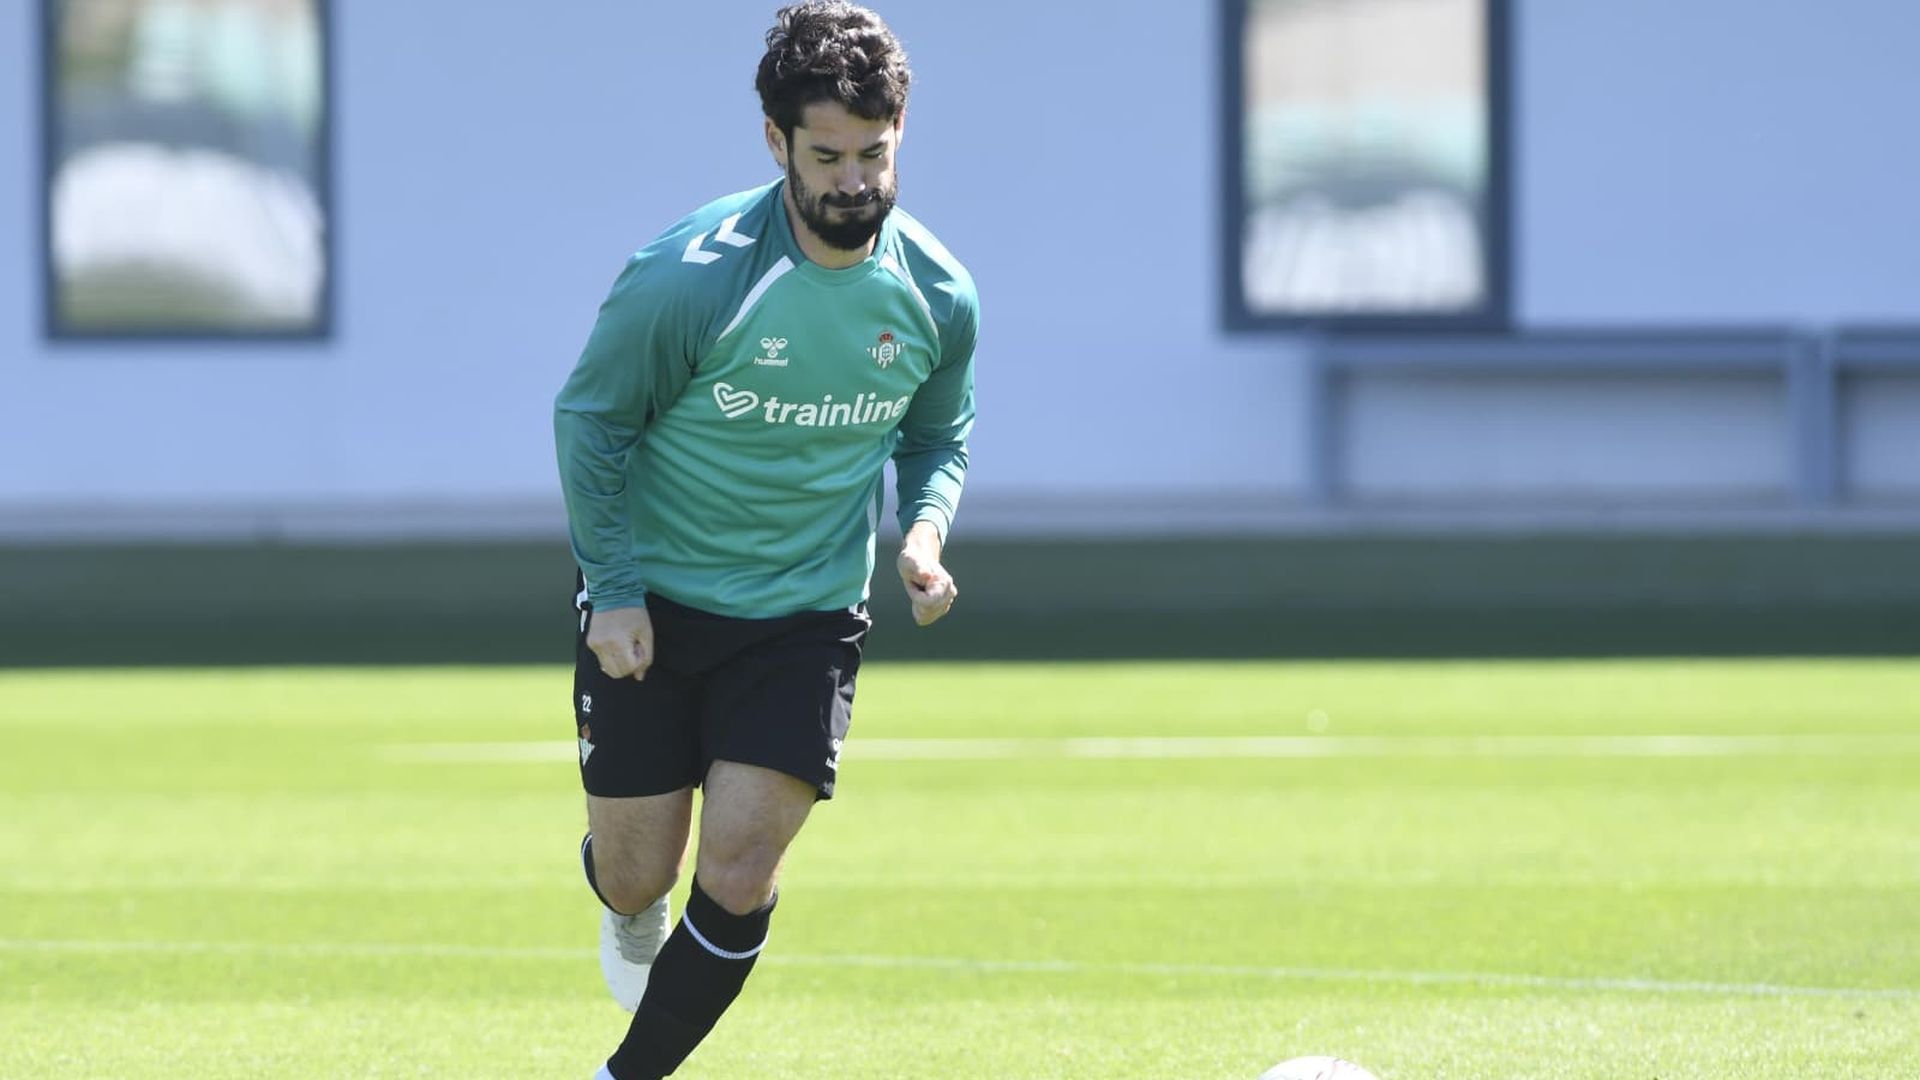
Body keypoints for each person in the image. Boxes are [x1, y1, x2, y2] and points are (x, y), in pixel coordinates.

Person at [552, 4, 977, 1077]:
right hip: (656, 597)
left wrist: (924, 535)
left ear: (900, 132)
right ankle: (624, 897)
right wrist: (614, 588)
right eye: (827, 157)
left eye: (875, 154)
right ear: (776, 141)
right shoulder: (691, 276)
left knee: (739, 870)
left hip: (806, 614)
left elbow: (937, 436)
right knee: (639, 873)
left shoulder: (937, 293)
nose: (855, 182)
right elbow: (591, 422)